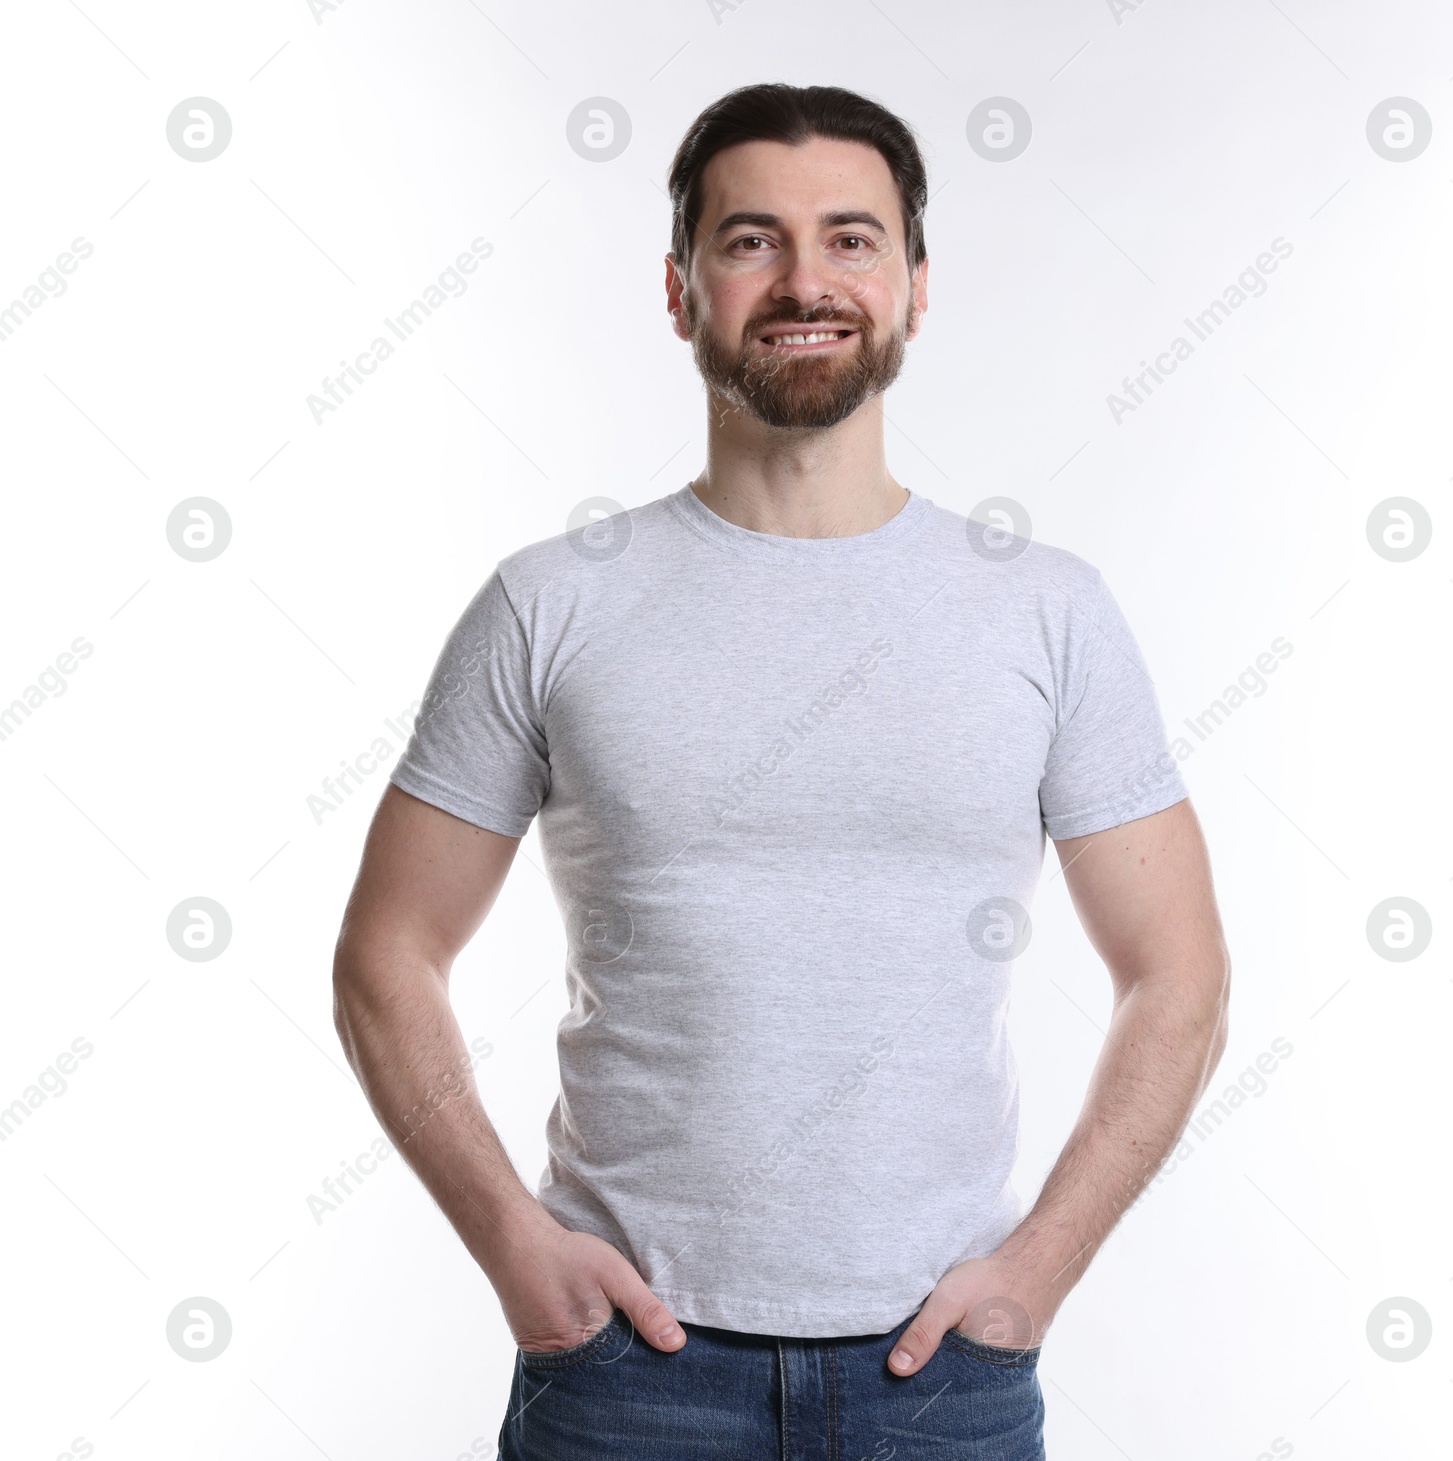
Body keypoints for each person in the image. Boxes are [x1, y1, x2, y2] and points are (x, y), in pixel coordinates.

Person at [331, 81, 1231, 1461]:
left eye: (852, 239)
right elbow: (387, 955)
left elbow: (1178, 975)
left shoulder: (1045, 611)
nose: (805, 278)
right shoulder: (550, 604)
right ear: (682, 290)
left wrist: (1038, 1268)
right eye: (751, 240)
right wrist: (519, 1247)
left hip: (945, 1379)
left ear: (916, 287)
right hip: (631, 1376)